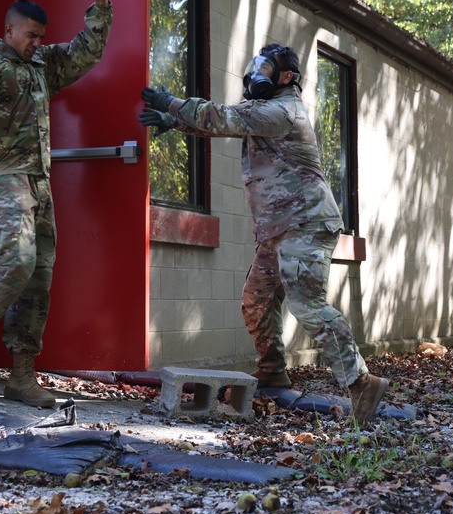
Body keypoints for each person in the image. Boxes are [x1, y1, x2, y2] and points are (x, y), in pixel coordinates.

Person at [139, 44, 389, 426]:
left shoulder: (282, 111)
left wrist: (172, 104)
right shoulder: (269, 112)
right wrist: (178, 123)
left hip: (304, 223)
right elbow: (225, 123)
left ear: (286, 77)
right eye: (256, 66)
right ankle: (272, 371)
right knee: (256, 300)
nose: (256, 74)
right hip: (279, 227)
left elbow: (225, 117)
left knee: (308, 304)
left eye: (266, 68)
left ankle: (360, 382)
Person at [0, 0, 112, 408]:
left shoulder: (41, 65)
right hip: (5, 179)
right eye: (31, 35)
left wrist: (101, 4)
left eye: (41, 37)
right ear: (10, 30)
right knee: (16, 261)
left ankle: (21, 376)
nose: (37, 43)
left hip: (39, 184)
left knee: (38, 278)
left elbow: (84, 52)